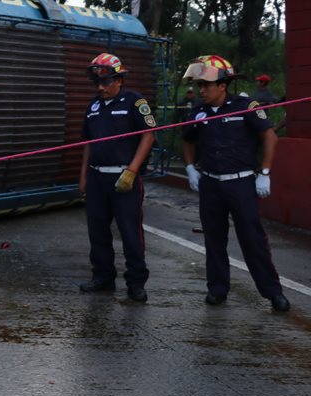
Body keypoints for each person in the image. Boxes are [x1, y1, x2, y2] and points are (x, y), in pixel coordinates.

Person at [180, 55, 290, 312]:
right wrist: (189, 168)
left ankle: (273, 292)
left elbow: (270, 137)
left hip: (241, 184)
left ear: (223, 85)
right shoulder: (198, 111)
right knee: (214, 239)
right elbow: (187, 140)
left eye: (206, 85)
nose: (202, 90)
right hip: (210, 185)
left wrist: (264, 172)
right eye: (199, 86)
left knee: (252, 239)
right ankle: (217, 289)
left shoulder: (245, 106)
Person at [78, 53, 155, 302]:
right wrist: (83, 177)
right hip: (97, 178)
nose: (101, 88)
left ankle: (136, 282)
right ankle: (103, 277)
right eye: (97, 83)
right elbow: (88, 144)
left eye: (106, 82)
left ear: (119, 80)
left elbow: (149, 135)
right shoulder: (94, 106)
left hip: (125, 178)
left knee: (130, 232)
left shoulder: (134, 101)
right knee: (97, 231)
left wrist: (132, 171)